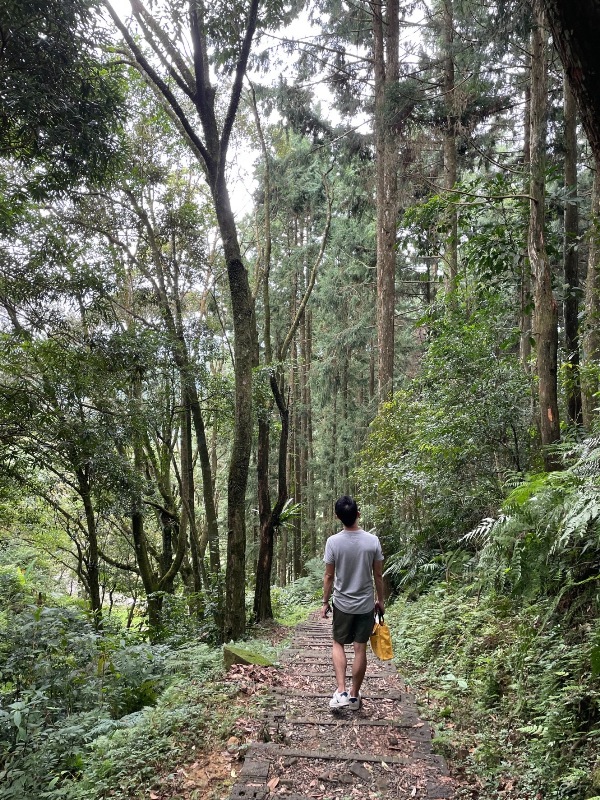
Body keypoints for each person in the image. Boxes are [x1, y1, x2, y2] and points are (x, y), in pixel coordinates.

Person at [321, 495, 384, 710]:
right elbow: (378, 575)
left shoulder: (333, 542)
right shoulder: (372, 541)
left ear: (338, 517)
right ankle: (355, 696)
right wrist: (380, 600)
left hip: (342, 604)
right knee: (360, 649)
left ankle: (341, 692)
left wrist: (324, 601)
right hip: (365, 604)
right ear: (358, 513)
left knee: (338, 643)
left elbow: (329, 576)